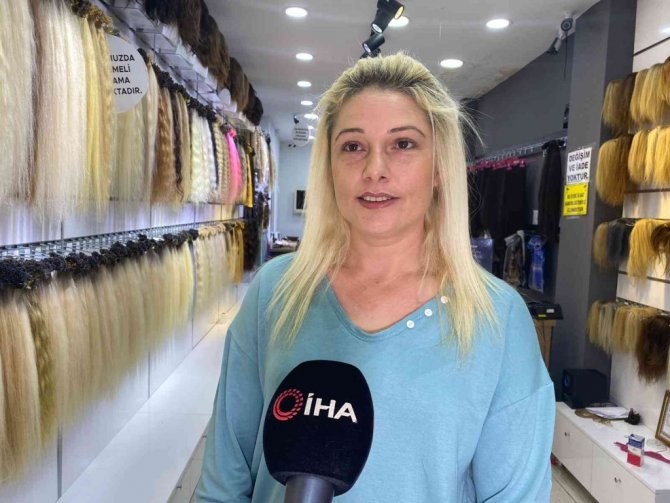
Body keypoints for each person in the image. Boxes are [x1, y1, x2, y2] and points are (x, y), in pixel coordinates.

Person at [196, 52, 555, 502]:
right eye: (353, 146)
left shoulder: (497, 318)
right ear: (329, 166)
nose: (374, 170)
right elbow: (223, 482)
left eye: (403, 144)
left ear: (439, 168)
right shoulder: (275, 291)